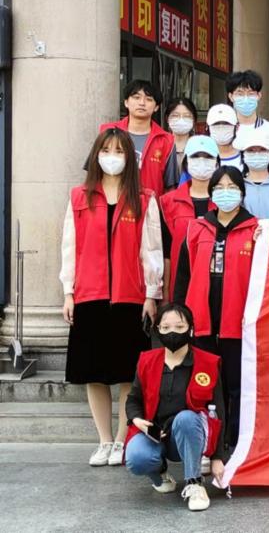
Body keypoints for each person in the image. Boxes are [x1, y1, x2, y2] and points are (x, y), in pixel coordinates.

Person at [60, 128, 162, 467]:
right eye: (106, 150)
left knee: (126, 374)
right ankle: (103, 440)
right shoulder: (79, 197)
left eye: (120, 151)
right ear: (96, 155)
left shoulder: (144, 198)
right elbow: (70, 247)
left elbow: (152, 249)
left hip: (130, 297)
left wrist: (152, 293)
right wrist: (68, 292)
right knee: (93, 372)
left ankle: (121, 439)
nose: (112, 157)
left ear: (129, 157)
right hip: (89, 295)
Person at [173, 166, 258, 450]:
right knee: (206, 382)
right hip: (202, 320)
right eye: (219, 187)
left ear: (242, 193)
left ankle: (236, 442)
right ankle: (209, 443)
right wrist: (180, 315)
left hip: (239, 322)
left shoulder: (255, 229)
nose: (226, 193)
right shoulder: (197, 229)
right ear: (211, 193)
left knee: (236, 384)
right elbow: (183, 275)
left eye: (232, 187)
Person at [124, 303, 227, 511]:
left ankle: (195, 483)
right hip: (156, 434)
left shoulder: (207, 362)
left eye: (179, 327)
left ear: (191, 329)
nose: (172, 332)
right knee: (136, 457)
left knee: (186, 418)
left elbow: (218, 411)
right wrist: (137, 420)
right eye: (166, 327)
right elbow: (133, 399)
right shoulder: (147, 360)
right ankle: (160, 474)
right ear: (158, 330)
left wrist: (218, 457)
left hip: (190, 434)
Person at [159, 135, 219, 299]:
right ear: (186, 162)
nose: (202, 161)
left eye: (208, 157)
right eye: (195, 156)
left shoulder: (226, 202)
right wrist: (165, 293)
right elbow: (165, 252)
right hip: (180, 286)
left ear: (217, 163)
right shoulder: (168, 202)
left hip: (216, 285)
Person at [99, 80, 173, 196]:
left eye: (149, 99)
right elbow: (94, 172)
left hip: (150, 204)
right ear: (126, 102)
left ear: (156, 107)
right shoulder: (108, 132)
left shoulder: (166, 140)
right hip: (113, 202)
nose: (142, 103)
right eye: (136, 97)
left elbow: (170, 186)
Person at [226, 69, 269, 139]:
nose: (245, 98)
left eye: (251, 93)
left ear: (259, 96)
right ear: (231, 96)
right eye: (240, 94)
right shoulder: (225, 132)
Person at [163, 97, 198, 190]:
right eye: (175, 115)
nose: (181, 120)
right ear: (167, 118)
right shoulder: (161, 145)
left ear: (194, 120)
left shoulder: (200, 146)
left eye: (187, 116)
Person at [205, 104, 243, 171]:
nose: (221, 127)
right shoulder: (200, 157)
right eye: (216, 124)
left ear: (237, 127)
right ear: (207, 127)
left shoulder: (247, 157)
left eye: (226, 123)